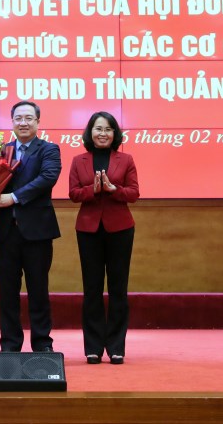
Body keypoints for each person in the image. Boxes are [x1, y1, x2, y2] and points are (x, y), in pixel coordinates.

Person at [68, 111, 139, 365]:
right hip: (88, 230)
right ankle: (94, 348)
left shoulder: (126, 159)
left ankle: (117, 346)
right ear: (90, 132)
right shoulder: (79, 160)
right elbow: (74, 194)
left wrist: (113, 189)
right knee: (92, 289)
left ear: (114, 134)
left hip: (120, 229)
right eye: (98, 128)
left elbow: (133, 193)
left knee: (118, 289)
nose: (103, 133)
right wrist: (93, 190)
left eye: (108, 129)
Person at [0, 100, 62, 353]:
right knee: (7, 292)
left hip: (38, 231)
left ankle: (42, 343)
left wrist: (14, 197)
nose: (23, 123)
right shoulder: (0, 151)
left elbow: (47, 178)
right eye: (18, 118)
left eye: (28, 118)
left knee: (38, 290)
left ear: (38, 122)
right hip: (5, 232)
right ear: (12, 122)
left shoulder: (49, 150)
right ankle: (10, 344)